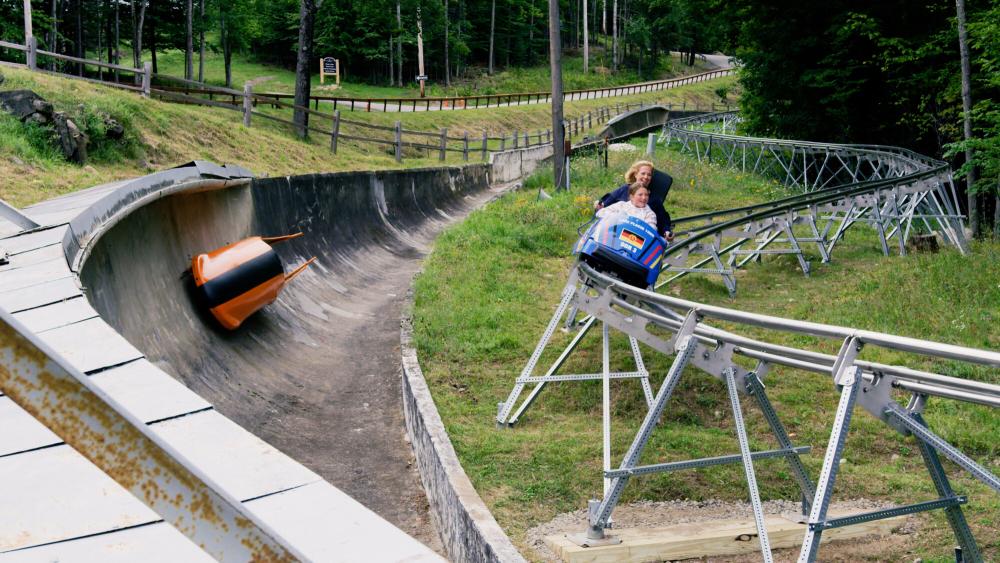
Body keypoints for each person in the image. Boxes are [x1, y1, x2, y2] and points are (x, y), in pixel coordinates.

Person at [594, 160, 674, 240]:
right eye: (643, 173)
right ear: (635, 174)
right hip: (616, 232)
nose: (646, 177)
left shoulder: (653, 203)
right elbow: (605, 205)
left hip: (638, 236)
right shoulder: (624, 192)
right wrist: (600, 205)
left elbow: (662, 219)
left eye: (649, 175)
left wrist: (666, 231)